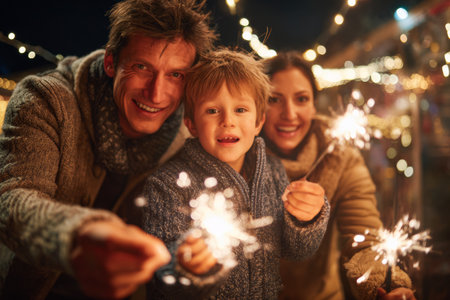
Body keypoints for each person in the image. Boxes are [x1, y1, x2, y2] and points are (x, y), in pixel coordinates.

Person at [0, 0, 217, 299]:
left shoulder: (184, 137)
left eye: (176, 75)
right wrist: (78, 237)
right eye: (142, 67)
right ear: (111, 62)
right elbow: (12, 200)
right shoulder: (45, 99)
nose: (156, 93)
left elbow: (168, 251)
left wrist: (186, 262)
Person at [138, 48, 330, 299]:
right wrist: (184, 265)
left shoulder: (273, 172)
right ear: (191, 124)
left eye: (240, 110)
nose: (228, 121)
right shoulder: (168, 186)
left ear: (258, 122)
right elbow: (160, 274)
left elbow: (296, 251)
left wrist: (306, 220)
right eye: (212, 110)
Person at [261, 50, 417, 300]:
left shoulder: (339, 157)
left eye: (301, 99)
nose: (289, 114)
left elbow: (364, 239)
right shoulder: (238, 154)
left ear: (314, 104)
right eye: (274, 99)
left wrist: (386, 286)